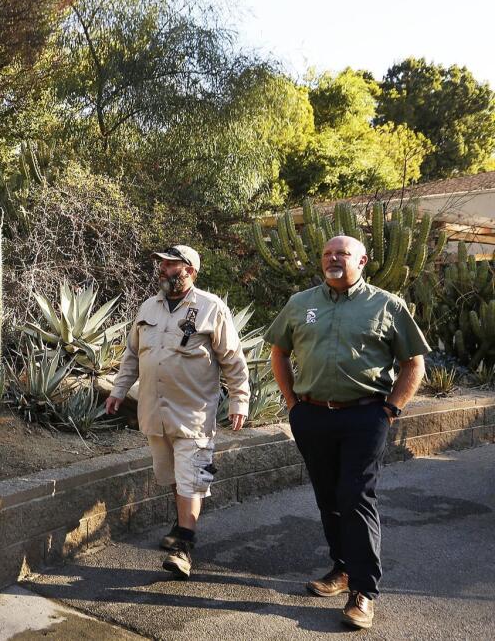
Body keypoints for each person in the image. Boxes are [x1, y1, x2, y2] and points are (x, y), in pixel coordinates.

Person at [265, 234, 428, 631]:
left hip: (365, 416)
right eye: (326, 253)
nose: (332, 259)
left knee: (356, 496)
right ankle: (341, 569)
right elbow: (279, 352)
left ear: (363, 260)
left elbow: (414, 363)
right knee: (328, 497)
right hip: (313, 416)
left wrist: (390, 409)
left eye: (342, 253)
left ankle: (364, 590)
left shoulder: (387, 305)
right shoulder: (301, 304)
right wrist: (292, 403)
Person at [108, 245, 249, 579]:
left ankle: (183, 547)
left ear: (191, 271)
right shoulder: (148, 307)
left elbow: (232, 359)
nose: (164, 269)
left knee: (192, 479)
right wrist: (118, 390)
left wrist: (239, 400)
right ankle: (180, 525)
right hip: (155, 413)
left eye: (172, 265)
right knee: (173, 476)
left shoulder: (211, 308)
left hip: (193, 415)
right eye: (162, 264)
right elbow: (132, 354)